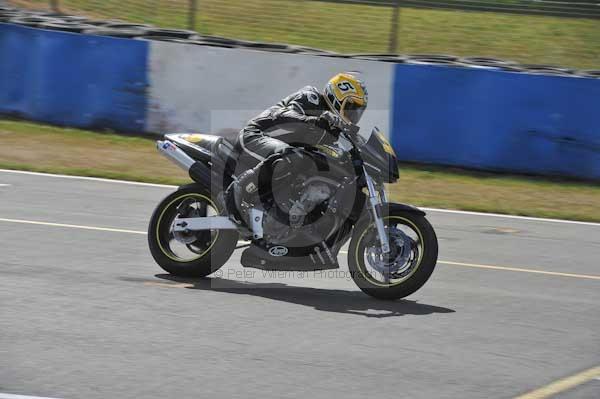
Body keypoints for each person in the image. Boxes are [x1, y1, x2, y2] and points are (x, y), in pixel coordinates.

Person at [227, 72, 368, 226]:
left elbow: (356, 144)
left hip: (280, 153)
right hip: (256, 135)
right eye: (350, 108)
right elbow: (283, 115)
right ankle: (240, 189)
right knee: (292, 156)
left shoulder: (335, 126)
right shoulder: (311, 98)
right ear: (336, 98)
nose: (353, 115)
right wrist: (313, 120)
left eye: (357, 111)